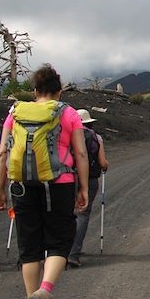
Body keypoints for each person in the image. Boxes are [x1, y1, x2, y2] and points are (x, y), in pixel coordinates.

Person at [0, 64, 89, 299]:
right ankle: (44, 292)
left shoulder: (15, 112)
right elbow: (80, 154)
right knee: (60, 242)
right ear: (59, 91)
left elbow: (2, 154)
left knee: (29, 246)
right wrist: (83, 188)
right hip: (59, 184)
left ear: (35, 91)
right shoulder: (68, 113)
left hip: (21, 185)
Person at [67, 109, 109, 267]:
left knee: (66, 213)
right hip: (90, 179)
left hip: (67, 178)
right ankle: (74, 254)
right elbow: (103, 163)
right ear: (89, 123)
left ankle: (60, 252)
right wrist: (105, 166)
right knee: (82, 214)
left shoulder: (66, 135)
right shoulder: (96, 137)